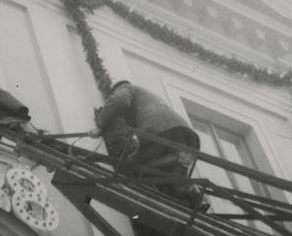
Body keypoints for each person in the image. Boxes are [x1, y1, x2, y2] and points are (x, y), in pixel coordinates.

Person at [89, 80, 208, 210]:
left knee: (136, 169)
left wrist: (100, 126)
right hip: (188, 140)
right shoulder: (152, 98)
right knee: (177, 178)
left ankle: (155, 206)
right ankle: (197, 197)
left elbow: (119, 99)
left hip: (161, 132)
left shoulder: (127, 88)